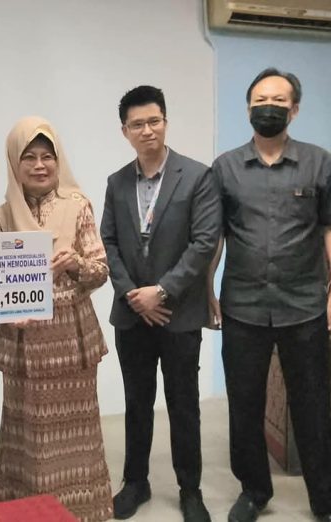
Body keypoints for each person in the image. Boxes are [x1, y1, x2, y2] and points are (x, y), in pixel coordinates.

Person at [209, 68, 331, 522]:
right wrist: (207, 290)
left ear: (295, 109)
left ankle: (327, 504)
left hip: (304, 305)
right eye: (260, 100)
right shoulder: (225, 167)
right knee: (244, 406)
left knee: (312, 409)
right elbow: (215, 236)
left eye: (278, 100)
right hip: (243, 306)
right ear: (248, 108)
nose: (268, 107)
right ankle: (254, 491)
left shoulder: (318, 163)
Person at [100, 86, 220, 521]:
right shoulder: (117, 182)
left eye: (154, 121)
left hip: (179, 313)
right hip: (132, 314)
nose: (147, 130)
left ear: (165, 122)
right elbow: (108, 242)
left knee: (184, 404)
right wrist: (134, 295)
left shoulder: (198, 176)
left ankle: (190, 489)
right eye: (137, 124)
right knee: (137, 403)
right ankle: (136, 482)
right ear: (125, 131)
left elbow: (204, 242)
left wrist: (162, 291)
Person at [0, 116, 113, 522]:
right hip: (23, 343)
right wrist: (4, 310)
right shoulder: (2, 216)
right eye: (29, 157)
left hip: (71, 340)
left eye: (48, 156)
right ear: (14, 162)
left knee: (78, 431)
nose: (40, 165)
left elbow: (101, 269)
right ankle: (28, 512)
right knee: (28, 433)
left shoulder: (78, 206)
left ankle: (81, 512)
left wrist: (76, 263)